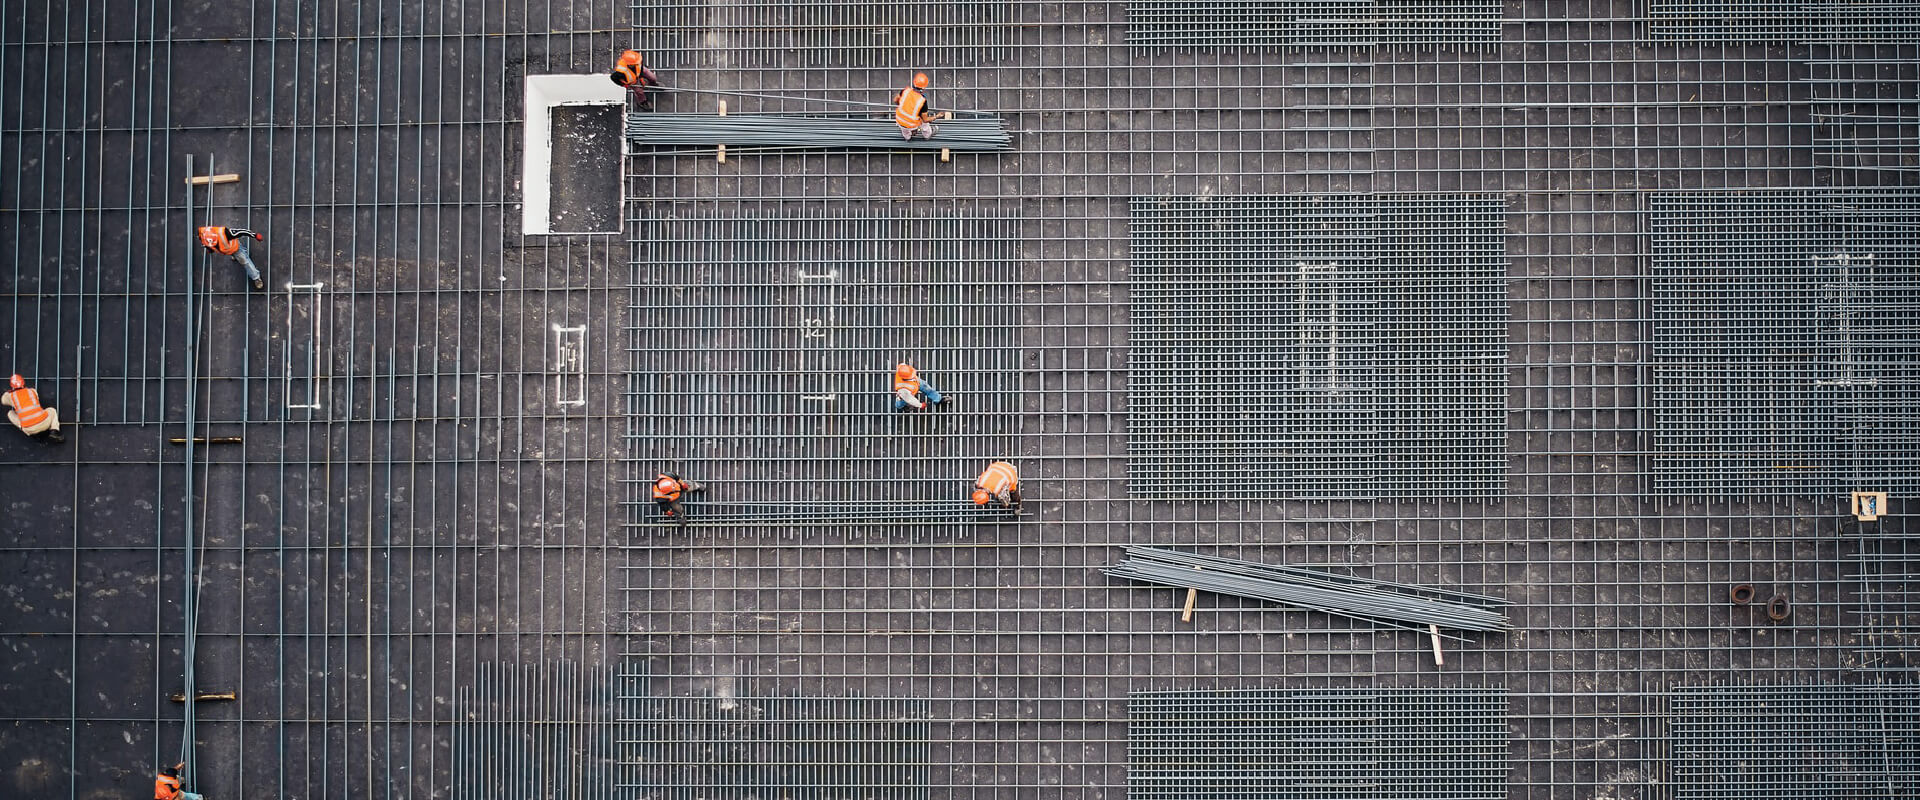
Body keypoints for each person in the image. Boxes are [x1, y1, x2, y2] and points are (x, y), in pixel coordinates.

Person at [197, 225, 265, 290]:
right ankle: (242, 254)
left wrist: (255, 235)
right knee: (240, 254)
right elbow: (208, 245)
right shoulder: (204, 236)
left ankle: (256, 278)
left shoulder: (225, 233)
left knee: (245, 262)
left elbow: (241, 232)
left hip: (236, 249)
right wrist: (210, 249)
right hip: (227, 250)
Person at [4, 374, 63, 443]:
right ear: (23, 382)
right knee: (52, 410)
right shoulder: (32, 391)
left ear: (12, 385)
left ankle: (34, 435)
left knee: (10, 413)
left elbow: (3, 401)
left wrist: (9, 393)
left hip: (29, 429)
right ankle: (54, 431)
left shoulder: (10, 396)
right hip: (44, 423)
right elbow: (36, 399)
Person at [892, 72, 950, 140]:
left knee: (905, 129)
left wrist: (905, 107)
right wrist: (937, 116)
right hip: (911, 124)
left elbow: (895, 100)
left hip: (899, 119)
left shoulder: (905, 91)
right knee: (923, 121)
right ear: (923, 88)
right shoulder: (922, 101)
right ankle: (927, 135)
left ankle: (907, 137)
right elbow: (925, 120)